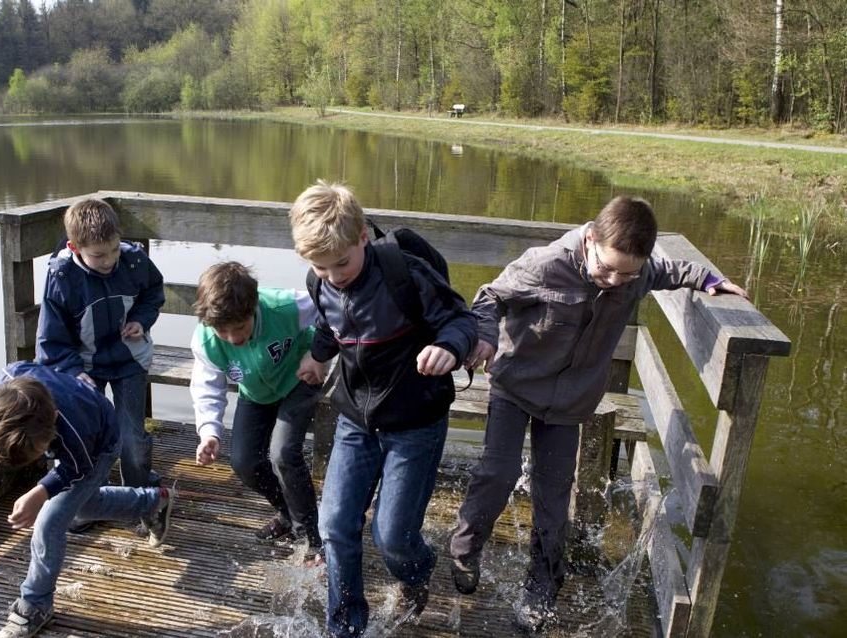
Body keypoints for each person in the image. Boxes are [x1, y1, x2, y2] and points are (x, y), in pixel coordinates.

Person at [448, 196, 748, 632]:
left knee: (554, 495)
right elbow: (489, 296)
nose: (614, 281)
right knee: (497, 472)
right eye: (606, 268)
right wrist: (486, 338)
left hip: (570, 402)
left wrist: (709, 279)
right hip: (515, 385)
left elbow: (671, 270)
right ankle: (465, 549)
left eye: (626, 274)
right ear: (590, 239)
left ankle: (542, 586)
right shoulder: (546, 264)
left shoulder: (637, 273)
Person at [288, 180, 478, 638]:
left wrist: (449, 348)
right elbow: (335, 326)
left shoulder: (404, 275)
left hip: (415, 421)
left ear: (362, 238)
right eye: (320, 266)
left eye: (341, 263)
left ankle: (416, 575)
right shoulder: (321, 281)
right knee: (334, 525)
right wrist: (317, 355)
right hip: (355, 418)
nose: (333, 275)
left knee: (392, 538)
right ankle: (346, 626)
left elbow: (460, 319)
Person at [0, 361, 176, 638]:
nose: (40, 458)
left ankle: (34, 605)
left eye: (40, 452)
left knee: (50, 522)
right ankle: (153, 502)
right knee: (83, 505)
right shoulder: (8, 377)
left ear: (51, 428)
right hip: (74, 416)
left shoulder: (74, 432)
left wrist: (40, 492)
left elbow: (76, 470)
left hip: (101, 443)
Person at [189, 261, 328, 565]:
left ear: (253, 307)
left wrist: (317, 354)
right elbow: (207, 387)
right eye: (222, 331)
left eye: (239, 327)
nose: (232, 338)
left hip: (298, 380)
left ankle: (312, 539)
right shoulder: (207, 340)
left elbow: (330, 306)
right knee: (245, 463)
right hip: (255, 393)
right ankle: (287, 513)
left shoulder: (286, 306)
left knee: (283, 453)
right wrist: (209, 431)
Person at [35, 198, 165, 491]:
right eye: (98, 256)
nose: (109, 261)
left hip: (129, 360)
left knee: (131, 436)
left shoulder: (133, 260)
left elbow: (154, 291)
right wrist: (70, 371)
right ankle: (87, 498)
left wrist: (141, 320)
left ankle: (138, 492)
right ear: (74, 248)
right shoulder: (62, 279)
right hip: (84, 367)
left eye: (114, 250)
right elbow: (50, 340)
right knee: (83, 433)